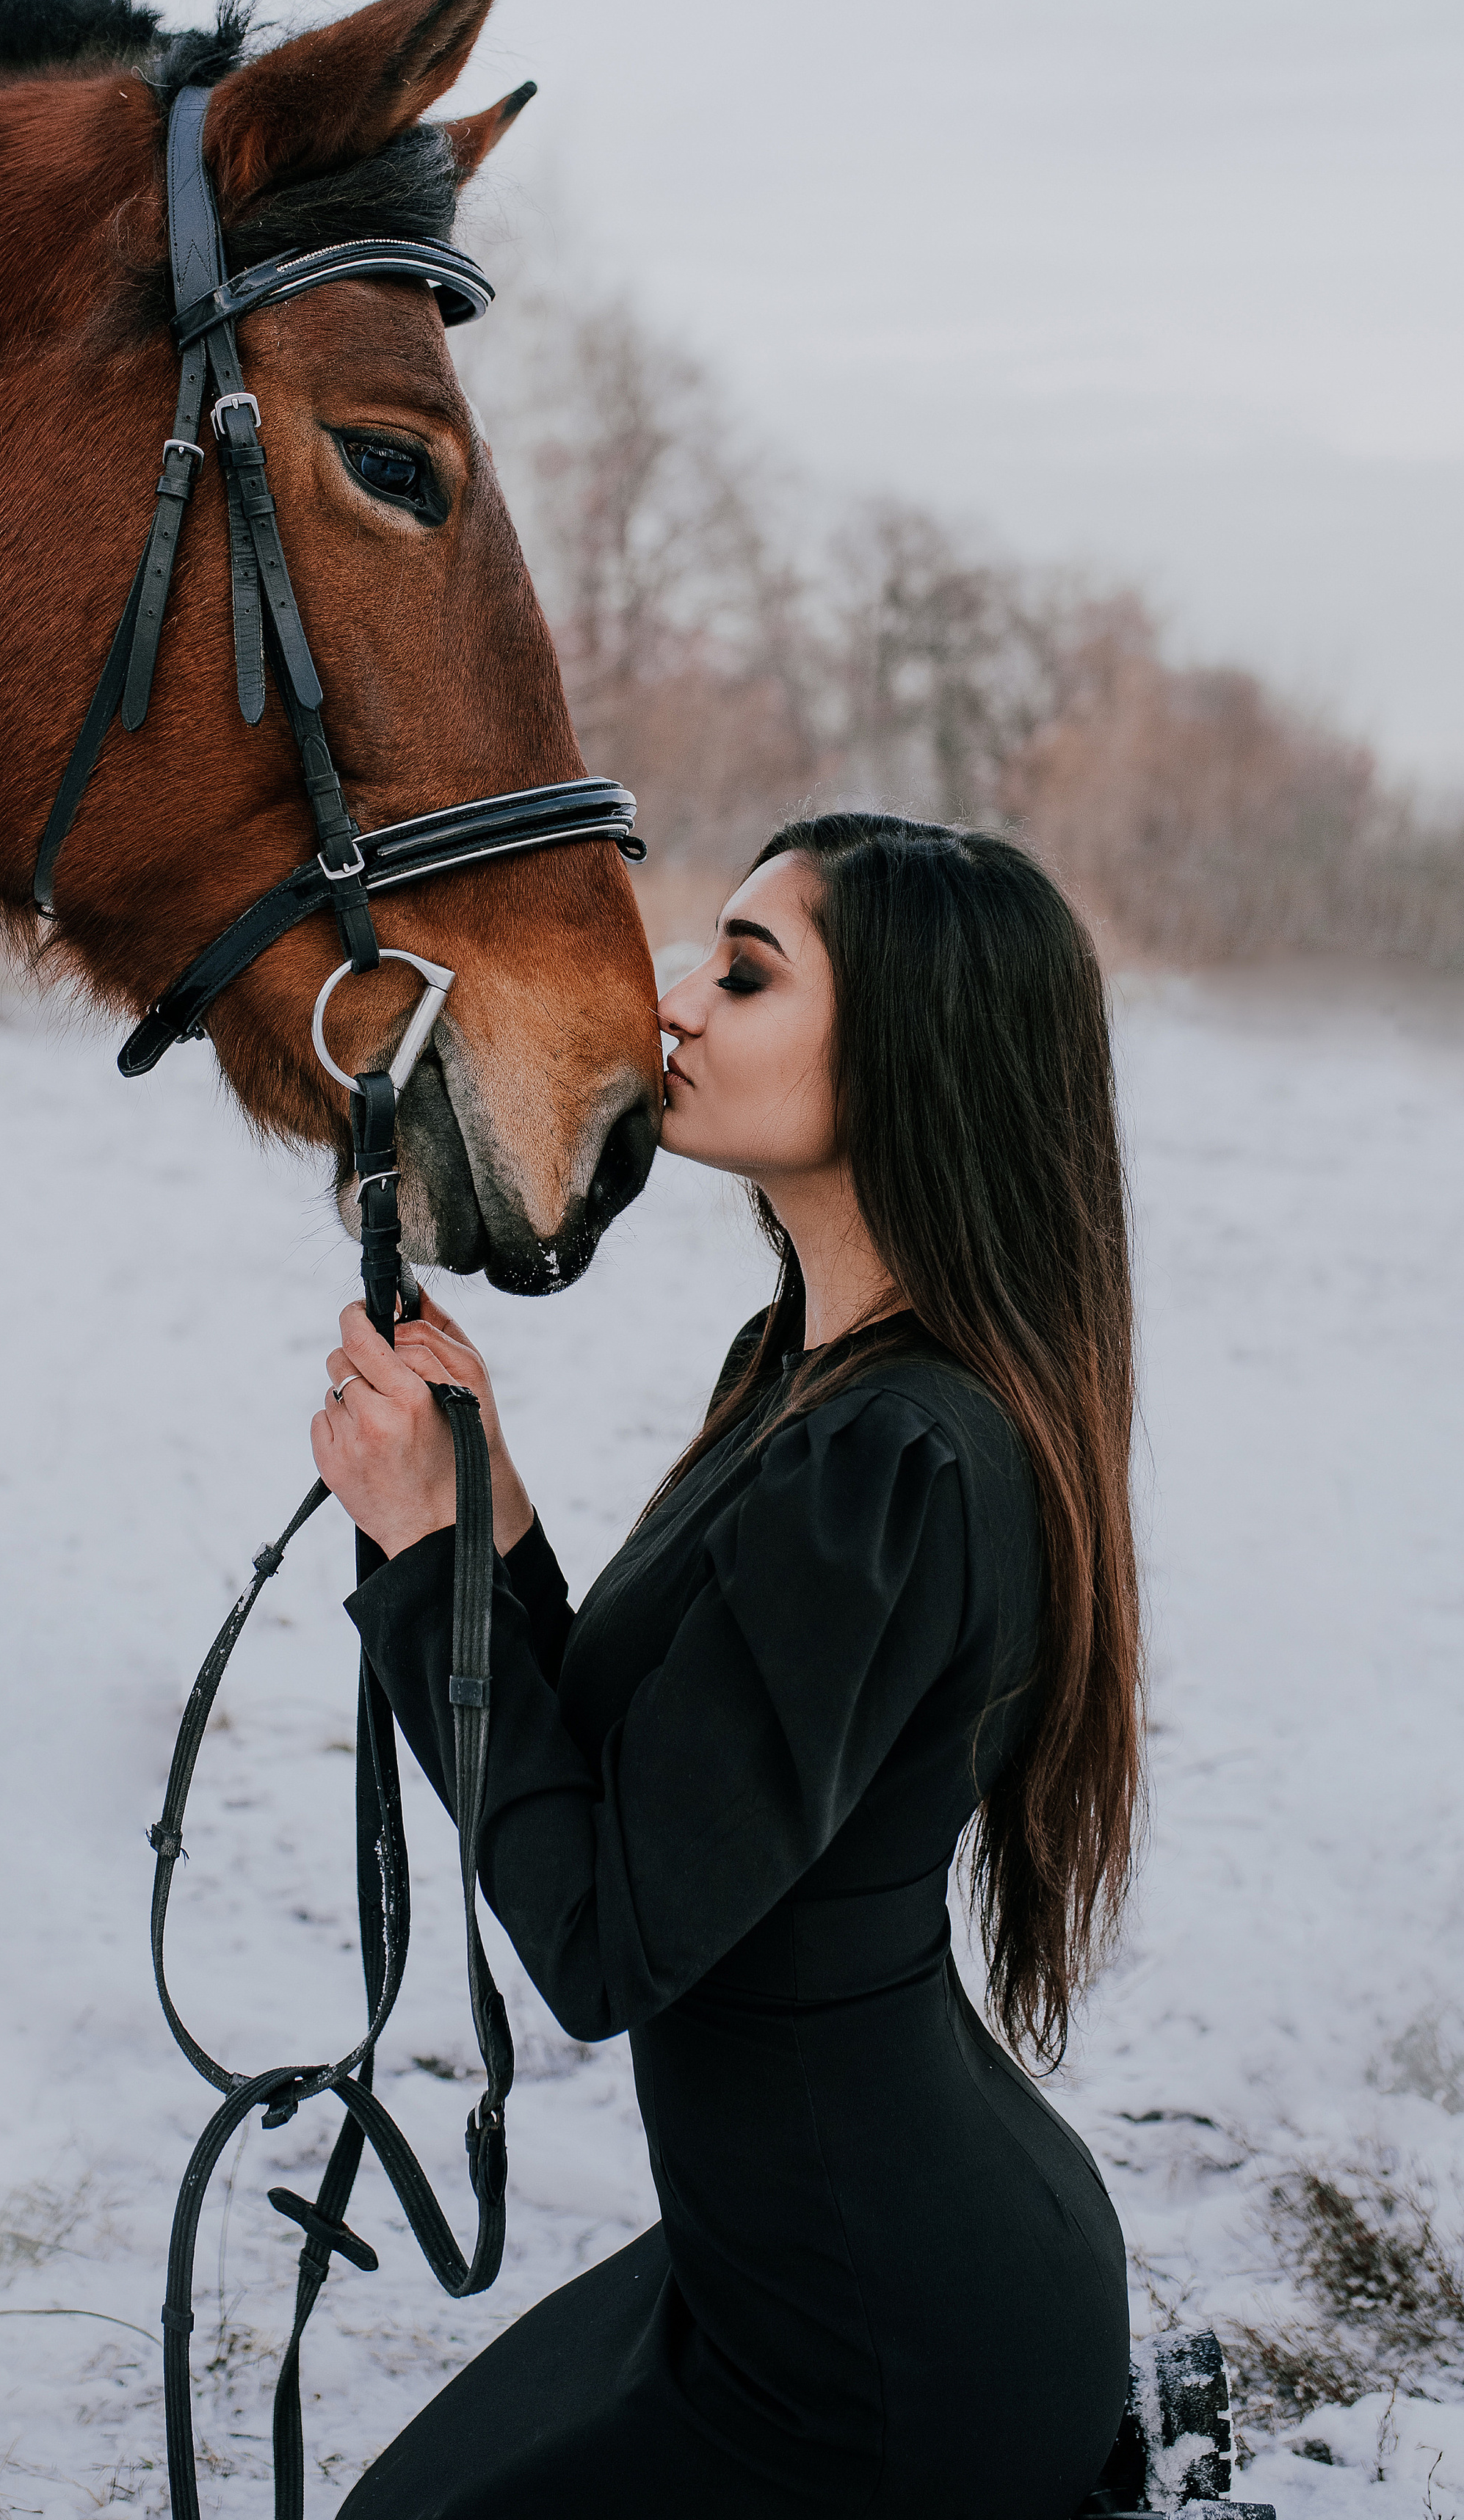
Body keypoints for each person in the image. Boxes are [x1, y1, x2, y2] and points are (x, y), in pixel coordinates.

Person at [311, 813, 1141, 2520]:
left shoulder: (889, 1456)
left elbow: (607, 1939)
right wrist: (485, 1519)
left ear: (919, 1046)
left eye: (743, 975)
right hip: (800, 2257)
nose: (670, 1006)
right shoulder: (817, 1378)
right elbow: (654, 1775)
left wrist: (419, 1570)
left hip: (873, 2358)